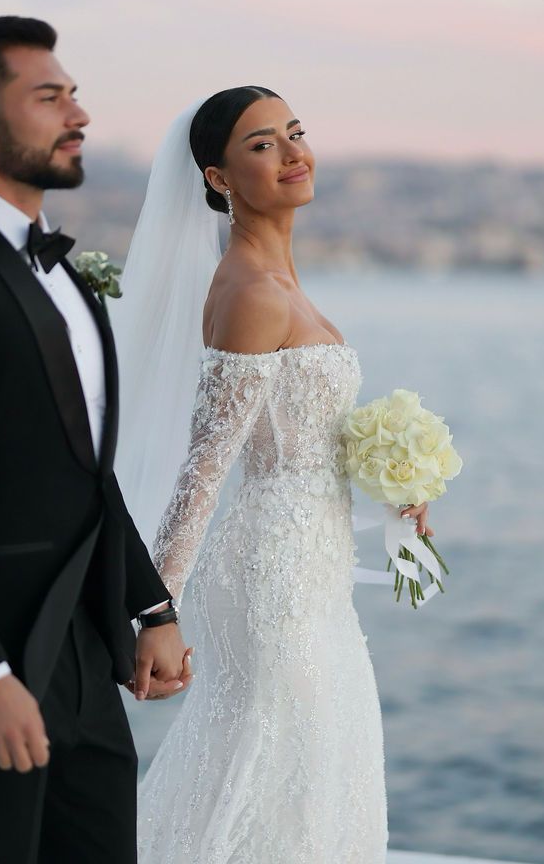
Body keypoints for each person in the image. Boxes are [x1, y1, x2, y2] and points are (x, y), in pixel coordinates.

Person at [117, 87, 432, 863]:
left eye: (295, 133)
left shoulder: (278, 281)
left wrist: (395, 487)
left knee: (319, 767)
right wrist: (157, 612)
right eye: (262, 144)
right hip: (272, 579)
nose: (294, 153)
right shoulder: (254, 294)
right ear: (219, 178)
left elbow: (296, 442)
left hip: (314, 572)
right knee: (272, 764)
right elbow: (204, 470)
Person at [0, 16, 192, 864]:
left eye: (73, 93)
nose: (80, 114)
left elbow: (86, 471)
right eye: (50, 96)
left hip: (83, 659)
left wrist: (150, 605)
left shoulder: (66, 272)